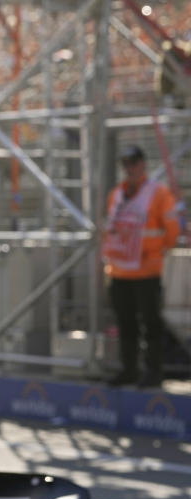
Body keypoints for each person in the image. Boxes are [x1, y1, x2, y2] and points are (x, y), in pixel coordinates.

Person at [102, 145, 180, 387]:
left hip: (147, 269)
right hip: (119, 270)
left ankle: (153, 371)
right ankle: (129, 369)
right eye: (125, 163)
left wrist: (154, 252)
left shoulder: (158, 193)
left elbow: (172, 230)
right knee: (126, 323)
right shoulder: (117, 193)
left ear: (143, 164)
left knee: (151, 323)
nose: (129, 168)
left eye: (133, 163)